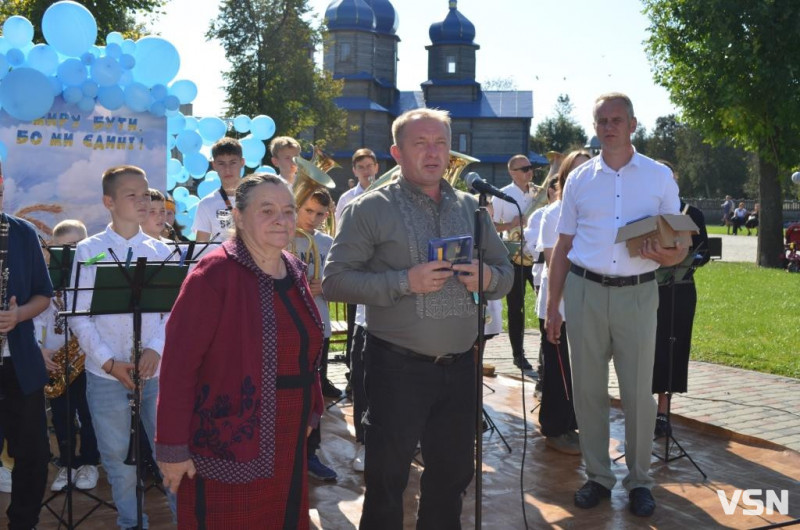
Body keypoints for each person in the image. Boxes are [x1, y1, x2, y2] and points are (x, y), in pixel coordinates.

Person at [322, 108, 513, 529]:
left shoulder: (472, 209)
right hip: (397, 368)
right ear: (396, 152)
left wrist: (487, 278)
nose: (432, 153)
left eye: (440, 143)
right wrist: (403, 281)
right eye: (420, 143)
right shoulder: (370, 209)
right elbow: (335, 281)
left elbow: (506, 274)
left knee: (452, 476)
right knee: (388, 479)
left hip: (463, 366)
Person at [545, 93, 687, 518]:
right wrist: (554, 306)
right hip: (585, 291)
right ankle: (599, 476)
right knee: (588, 392)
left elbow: (680, 241)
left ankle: (640, 480)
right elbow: (563, 244)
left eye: (617, 120)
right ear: (595, 126)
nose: (609, 127)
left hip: (639, 293)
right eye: (602, 120)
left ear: (633, 125)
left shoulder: (659, 176)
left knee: (638, 395)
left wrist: (669, 256)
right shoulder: (580, 179)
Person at [155, 174, 324, 529]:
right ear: (240, 217)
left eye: (288, 210)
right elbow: (177, 367)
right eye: (267, 210)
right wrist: (172, 447)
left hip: (290, 433)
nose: (282, 219)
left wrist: (313, 410)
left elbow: (307, 350)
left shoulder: (293, 268)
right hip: (229, 439)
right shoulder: (213, 274)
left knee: (282, 517)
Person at [70, 165, 174, 529]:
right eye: (133, 195)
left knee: (171, 454)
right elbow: (79, 315)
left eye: (146, 193)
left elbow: (173, 313)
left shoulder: (165, 252)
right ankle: (132, 523)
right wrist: (109, 362)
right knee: (117, 459)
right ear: (109, 202)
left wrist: (156, 349)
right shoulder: (89, 250)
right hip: (106, 376)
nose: (144, 200)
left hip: (156, 374)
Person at [0, 162, 53, 530]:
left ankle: (23, 522)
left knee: (33, 455)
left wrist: (18, 316)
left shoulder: (21, 232)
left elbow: (43, 294)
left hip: (19, 363)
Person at [35, 220, 101, 492]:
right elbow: (36, 320)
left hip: (87, 360)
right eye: (62, 248)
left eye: (76, 247)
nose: (70, 253)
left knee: (89, 414)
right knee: (61, 417)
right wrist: (39, 350)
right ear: (51, 250)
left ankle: (89, 462)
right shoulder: (43, 282)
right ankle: (67, 463)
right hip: (55, 360)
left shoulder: (94, 279)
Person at [533, 150, 591, 455]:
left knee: (579, 369)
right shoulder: (553, 213)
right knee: (558, 370)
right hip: (560, 303)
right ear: (566, 176)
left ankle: (572, 423)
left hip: (587, 303)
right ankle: (555, 427)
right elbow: (550, 257)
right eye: (577, 170)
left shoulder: (593, 209)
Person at [652, 162, 710, 438]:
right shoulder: (644, 213)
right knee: (644, 348)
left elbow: (706, 252)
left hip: (681, 290)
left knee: (673, 348)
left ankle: (663, 412)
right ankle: (643, 407)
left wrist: (688, 258)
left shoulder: (692, 213)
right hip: (644, 291)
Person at [292, 187, 339, 482]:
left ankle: (310, 452)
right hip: (285, 325)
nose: (314, 219)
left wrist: (327, 287)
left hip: (317, 325)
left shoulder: (328, 242)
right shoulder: (281, 236)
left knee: (314, 392)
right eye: (308, 210)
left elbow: (342, 283)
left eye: (320, 214)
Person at [493, 154, 537, 370]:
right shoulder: (503, 194)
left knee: (545, 306)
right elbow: (491, 225)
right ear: (512, 172)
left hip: (537, 256)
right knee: (516, 307)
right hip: (515, 257)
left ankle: (546, 353)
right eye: (525, 168)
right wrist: (510, 224)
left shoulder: (538, 192)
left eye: (531, 167)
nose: (530, 171)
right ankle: (518, 354)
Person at [193, 138, 245, 242]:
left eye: (233, 162)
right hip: (223, 258)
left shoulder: (257, 197)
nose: (227, 169)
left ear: (242, 162)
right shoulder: (206, 204)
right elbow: (200, 247)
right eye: (221, 163)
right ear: (214, 165)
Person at [334, 148, 379, 225]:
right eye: (360, 167)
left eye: (369, 166)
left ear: (376, 168)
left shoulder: (388, 194)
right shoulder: (346, 198)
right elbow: (338, 227)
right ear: (354, 171)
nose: (365, 171)